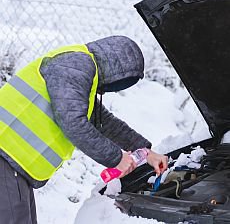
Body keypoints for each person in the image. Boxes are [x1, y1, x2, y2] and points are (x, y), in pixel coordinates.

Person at [0, 35, 168, 223]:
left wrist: (146, 152)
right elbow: (73, 123)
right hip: (5, 155)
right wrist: (117, 158)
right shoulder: (73, 66)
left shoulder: (80, 72)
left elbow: (104, 122)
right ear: (115, 68)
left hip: (13, 160)